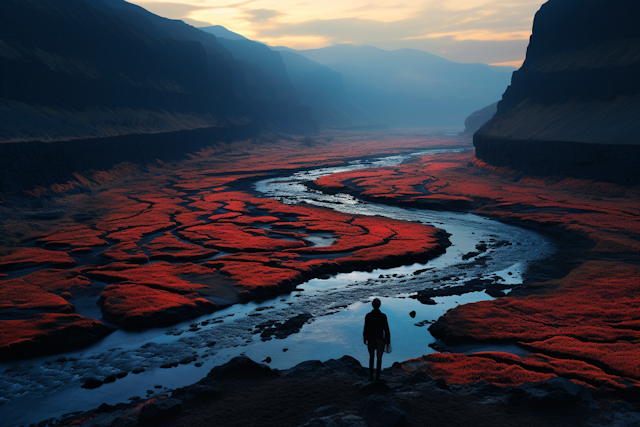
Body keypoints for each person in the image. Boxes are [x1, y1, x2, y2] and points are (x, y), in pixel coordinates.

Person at [363, 298, 390, 381]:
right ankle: (377, 377)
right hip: (380, 340)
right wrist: (388, 341)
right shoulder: (383, 316)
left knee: (371, 358)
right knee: (379, 359)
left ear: (372, 305)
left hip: (371, 340)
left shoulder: (368, 316)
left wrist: (365, 338)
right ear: (380, 305)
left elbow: (366, 328)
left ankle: (371, 377)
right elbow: (386, 329)